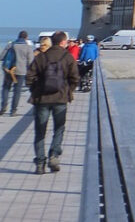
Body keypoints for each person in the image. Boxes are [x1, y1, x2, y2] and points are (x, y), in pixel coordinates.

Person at [26, 31, 79, 175]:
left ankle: (40, 163)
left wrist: (35, 90)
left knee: (40, 131)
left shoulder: (41, 57)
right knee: (59, 129)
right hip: (60, 99)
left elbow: (29, 77)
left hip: (42, 99)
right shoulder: (67, 57)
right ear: (63, 42)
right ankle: (54, 156)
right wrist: (68, 91)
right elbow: (75, 78)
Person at [1, 31, 36, 116]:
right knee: (17, 91)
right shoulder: (28, 48)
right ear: (26, 38)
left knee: (6, 88)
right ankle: (13, 110)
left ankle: (3, 107)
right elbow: (31, 62)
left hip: (9, 70)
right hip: (20, 72)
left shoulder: (11, 45)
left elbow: (2, 56)